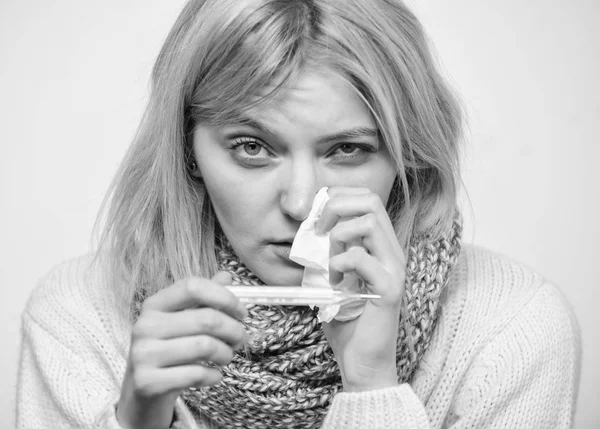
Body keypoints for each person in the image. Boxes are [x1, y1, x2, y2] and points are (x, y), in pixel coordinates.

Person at [16, 0, 581, 428]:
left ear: (408, 155)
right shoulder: (79, 317)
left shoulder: (509, 329)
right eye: (252, 147)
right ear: (188, 149)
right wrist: (137, 420)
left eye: (347, 149)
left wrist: (370, 384)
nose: (298, 203)